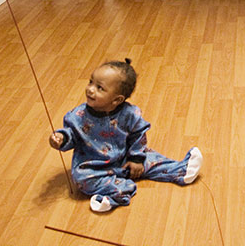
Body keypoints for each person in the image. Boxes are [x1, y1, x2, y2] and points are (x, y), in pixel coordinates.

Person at [49, 58, 202, 212]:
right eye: (91, 82)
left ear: (117, 99)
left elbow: (139, 135)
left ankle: (181, 170)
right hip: (93, 165)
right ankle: (119, 191)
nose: (90, 89)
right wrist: (61, 139)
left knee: (152, 159)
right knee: (81, 179)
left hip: (126, 158)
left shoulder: (130, 114)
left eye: (99, 88)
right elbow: (71, 134)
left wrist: (136, 158)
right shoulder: (78, 115)